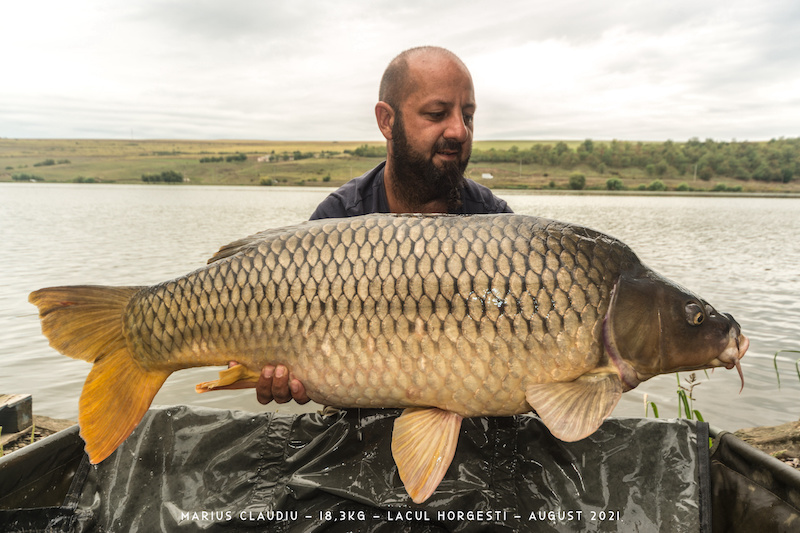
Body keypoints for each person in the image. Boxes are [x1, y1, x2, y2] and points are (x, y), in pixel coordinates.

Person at [245, 46, 512, 406]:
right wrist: (280, 372)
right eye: (437, 114)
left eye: (468, 115)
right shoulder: (339, 219)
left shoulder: (496, 223)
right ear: (387, 121)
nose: (459, 131)